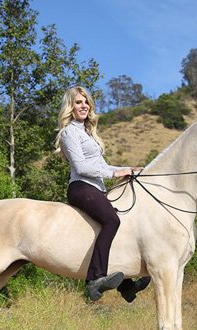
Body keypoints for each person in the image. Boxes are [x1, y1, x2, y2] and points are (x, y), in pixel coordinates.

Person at [55, 86, 151, 302]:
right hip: (81, 187)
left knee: (118, 223)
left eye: (86, 102)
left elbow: (101, 165)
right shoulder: (70, 132)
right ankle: (93, 281)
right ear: (71, 106)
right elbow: (80, 167)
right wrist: (116, 172)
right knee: (111, 220)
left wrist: (131, 169)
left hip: (97, 188)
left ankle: (126, 286)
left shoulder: (88, 133)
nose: (84, 106)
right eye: (78, 102)